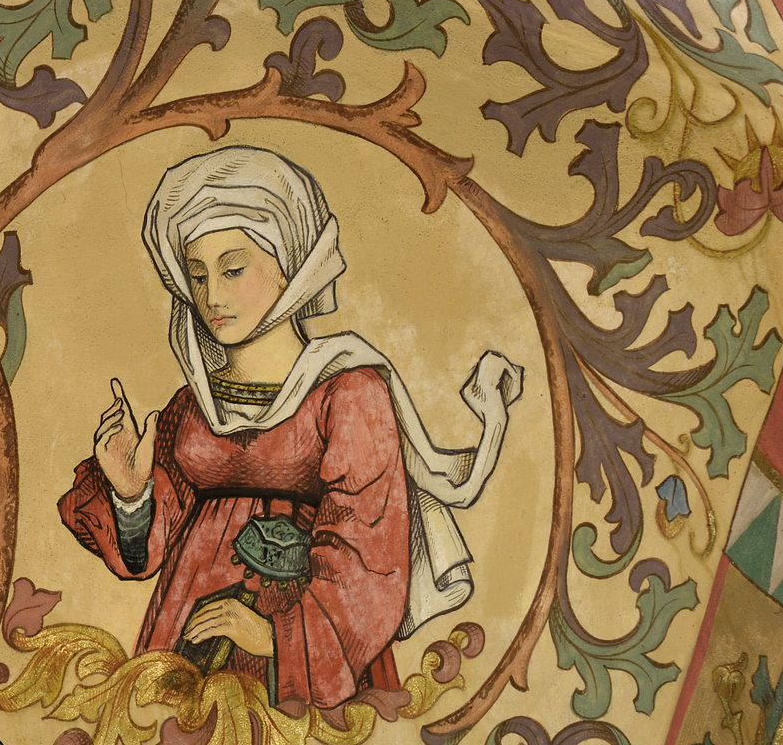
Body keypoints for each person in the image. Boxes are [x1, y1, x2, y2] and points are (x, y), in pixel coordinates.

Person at [58, 145, 521, 715]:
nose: (211, 296)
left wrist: (274, 635)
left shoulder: (349, 394)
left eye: (233, 269)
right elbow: (151, 547)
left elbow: (368, 552)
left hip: (301, 654)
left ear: (290, 268)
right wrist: (132, 496)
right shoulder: (192, 406)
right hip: (186, 631)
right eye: (197, 275)